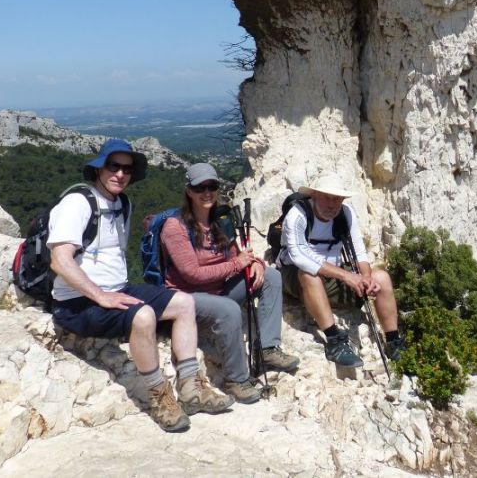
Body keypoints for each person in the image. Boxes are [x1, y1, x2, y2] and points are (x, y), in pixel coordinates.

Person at [48, 139, 231, 433]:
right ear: (99, 168)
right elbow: (60, 261)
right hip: (76, 303)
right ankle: (159, 396)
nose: (120, 174)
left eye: (127, 169)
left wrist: (110, 293)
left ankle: (190, 386)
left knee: (184, 302)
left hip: (116, 288)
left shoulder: (122, 204)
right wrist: (100, 295)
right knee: (143, 315)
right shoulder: (78, 203)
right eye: (113, 166)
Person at [160, 163, 300, 403]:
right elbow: (192, 274)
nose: (207, 192)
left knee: (272, 276)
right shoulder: (175, 227)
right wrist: (238, 264)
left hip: (217, 291)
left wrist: (255, 263)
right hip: (187, 298)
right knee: (229, 309)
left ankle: (268, 348)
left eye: (212, 186)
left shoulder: (220, 221)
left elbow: (239, 254)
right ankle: (237, 379)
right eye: (200, 187)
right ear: (189, 191)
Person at [278, 173, 405, 367]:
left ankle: (394, 342)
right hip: (296, 277)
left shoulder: (346, 214)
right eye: (326, 197)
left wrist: (366, 278)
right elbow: (299, 256)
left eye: (336, 198)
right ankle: (334, 341)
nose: (331, 204)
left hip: (333, 275)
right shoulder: (297, 215)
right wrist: (347, 276)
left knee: (383, 278)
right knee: (308, 274)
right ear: (314, 195)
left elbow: (359, 252)